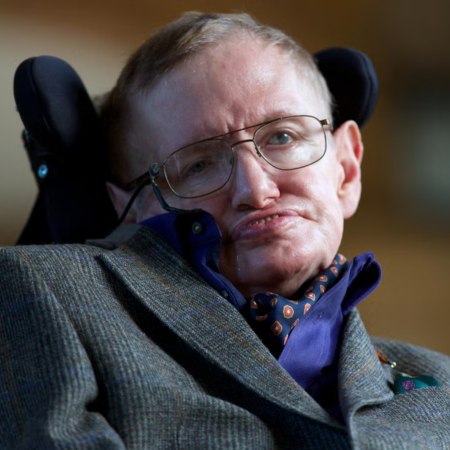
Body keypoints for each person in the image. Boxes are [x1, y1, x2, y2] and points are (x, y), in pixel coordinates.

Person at [1, 11, 450, 450]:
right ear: (131, 207)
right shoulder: (45, 292)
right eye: (198, 165)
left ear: (347, 170)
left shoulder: (442, 381)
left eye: (283, 137)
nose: (256, 190)